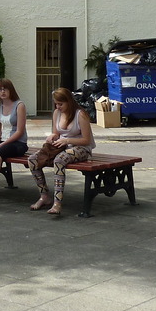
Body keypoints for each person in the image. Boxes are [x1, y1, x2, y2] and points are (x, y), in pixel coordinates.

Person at [27, 87, 95, 215]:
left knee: (59, 161)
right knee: (32, 160)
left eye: (60, 104)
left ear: (69, 102)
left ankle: (57, 203)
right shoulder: (56, 113)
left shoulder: (80, 114)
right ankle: (44, 196)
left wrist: (67, 140)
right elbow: (56, 133)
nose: (58, 107)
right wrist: (53, 136)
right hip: (62, 146)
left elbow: (87, 140)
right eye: (56, 104)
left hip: (81, 148)